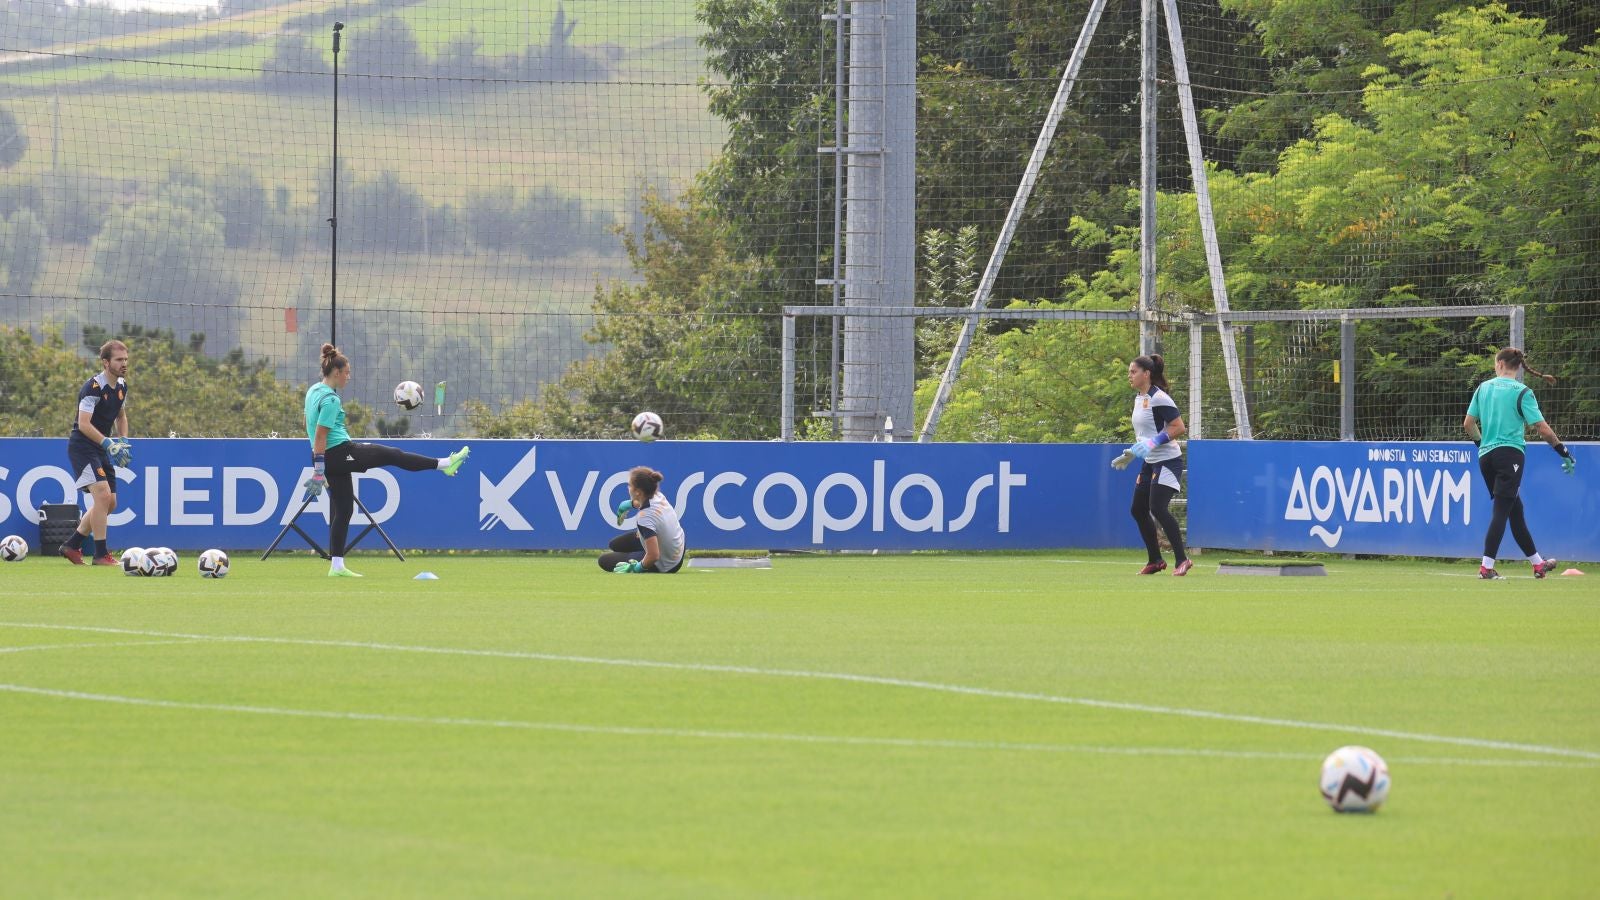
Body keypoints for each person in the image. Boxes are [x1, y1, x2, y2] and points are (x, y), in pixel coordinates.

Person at [303, 343, 471, 577]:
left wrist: (318, 463)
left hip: (326, 456)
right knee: (392, 454)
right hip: (338, 453)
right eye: (347, 372)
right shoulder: (331, 400)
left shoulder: (313, 391)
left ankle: (337, 566)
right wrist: (319, 470)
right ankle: (444, 464)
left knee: (344, 509)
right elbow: (321, 433)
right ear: (337, 372)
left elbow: (311, 430)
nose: (349, 377)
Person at [1463, 347, 1574, 580]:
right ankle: (1486, 567)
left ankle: (1537, 564)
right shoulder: (1523, 392)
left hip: (1486, 456)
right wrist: (1562, 450)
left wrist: (1482, 444)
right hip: (1510, 455)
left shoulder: (1483, 388)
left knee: (1515, 510)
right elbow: (1541, 428)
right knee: (1503, 510)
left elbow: (1468, 424)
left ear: (1500, 364)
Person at [1111, 353, 1192, 576]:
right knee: (1138, 509)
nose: (1129, 375)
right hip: (1150, 462)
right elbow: (1145, 435)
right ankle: (1155, 560)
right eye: (1129, 371)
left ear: (1147, 374)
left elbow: (1178, 427)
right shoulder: (1139, 398)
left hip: (1168, 461)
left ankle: (1182, 560)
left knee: (1157, 507)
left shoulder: (1159, 398)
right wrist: (1133, 453)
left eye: (1133, 371)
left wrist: (1153, 443)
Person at [61, 339, 132, 566]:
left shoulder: (121, 386)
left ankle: (72, 545)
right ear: (105, 362)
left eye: (126, 359)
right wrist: (108, 444)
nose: (124, 364)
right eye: (119, 360)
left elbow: (121, 416)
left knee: (110, 503)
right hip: (83, 446)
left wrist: (122, 441)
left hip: (101, 446)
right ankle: (101, 554)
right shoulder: (92, 387)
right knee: (101, 495)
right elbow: (83, 424)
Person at [601, 466, 686, 574]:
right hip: (678, 547)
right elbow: (642, 503)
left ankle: (641, 556)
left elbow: (654, 555)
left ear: (638, 492)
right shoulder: (658, 495)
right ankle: (642, 550)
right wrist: (629, 504)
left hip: (666, 564)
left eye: (630, 485)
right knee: (614, 544)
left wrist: (636, 568)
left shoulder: (644, 517)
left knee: (603, 560)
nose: (628, 488)